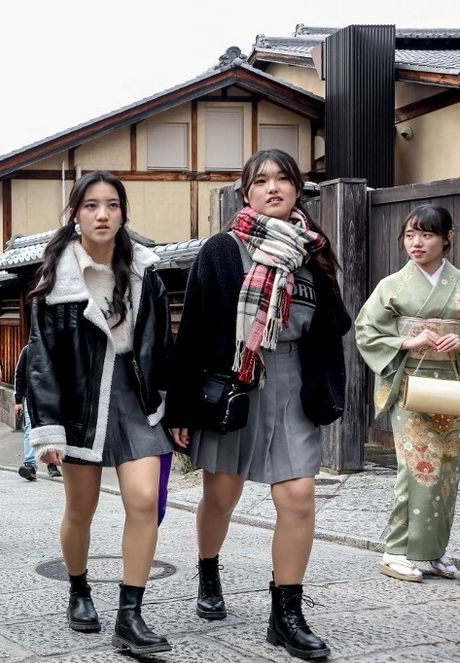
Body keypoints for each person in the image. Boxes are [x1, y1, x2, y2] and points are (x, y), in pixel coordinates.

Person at [166, 149, 350, 661]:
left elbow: (336, 323)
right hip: (235, 384)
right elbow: (195, 329)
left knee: (298, 499)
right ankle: (208, 570)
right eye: (262, 181)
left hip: (292, 385)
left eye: (284, 179)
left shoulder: (312, 249)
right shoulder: (223, 251)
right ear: (246, 193)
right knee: (221, 497)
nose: (274, 188)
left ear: (297, 190)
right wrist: (180, 408)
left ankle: (285, 615)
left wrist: (312, 278)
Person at [24, 171, 173, 656]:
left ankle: (130, 614)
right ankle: (78, 588)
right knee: (81, 510)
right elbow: (42, 360)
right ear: (75, 214)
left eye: (111, 205)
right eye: (91, 205)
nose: (102, 214)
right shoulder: (55, 281)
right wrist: (47, 429)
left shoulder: (145, 272)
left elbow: (161, 345)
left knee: (144, 501)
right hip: (81, 407)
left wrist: (174, 402)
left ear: (124, 213)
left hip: (136, 401)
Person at [356, 204, 460, 582]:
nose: (416, 243)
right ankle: (396, 551)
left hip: (451, 385)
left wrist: (458, 340)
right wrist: (408, 340)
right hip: (409, 384)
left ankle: (433, 552)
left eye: (427, 234)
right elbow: (366, 331)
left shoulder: (459, 282)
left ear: (447, 237)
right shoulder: (392, 286)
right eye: (410, 235)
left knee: (447, 472)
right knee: (416, 468)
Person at [14, 344, 60, 481]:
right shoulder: (28, 350)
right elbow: (20, 374)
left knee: (50, 430)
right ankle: (30, 465)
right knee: (30, 429)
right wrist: (18, 400)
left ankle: (52, 463)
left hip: (53, 397)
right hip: (32, 397)